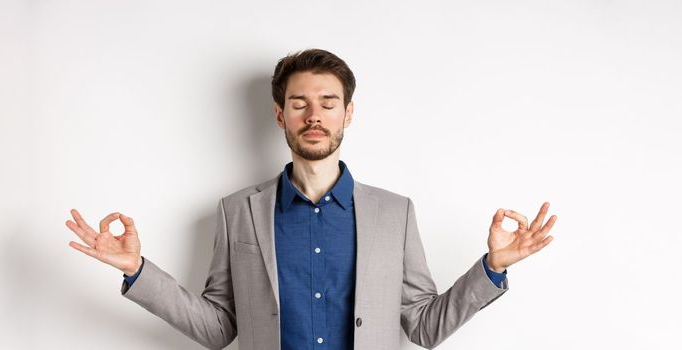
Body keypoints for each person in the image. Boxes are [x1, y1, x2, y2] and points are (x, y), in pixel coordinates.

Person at [64, 48, 557, 350]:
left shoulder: (394, 213)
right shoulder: (238, 211)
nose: (313, 115)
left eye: (328, 103)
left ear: (348, 114)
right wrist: (136, 270)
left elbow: (424, 326)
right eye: (299, 103)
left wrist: (491, 268)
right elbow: (218, 328)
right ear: (281, 115)